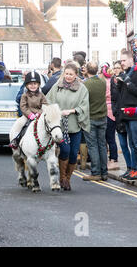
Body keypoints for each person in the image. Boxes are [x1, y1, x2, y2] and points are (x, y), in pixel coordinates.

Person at [46, 62, 90, 191]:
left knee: (73, 153)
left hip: (74, 125)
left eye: (71, 74)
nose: (68, 76)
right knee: (64, 150)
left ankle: (67, 179)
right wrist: (56, 111)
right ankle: (62, 178)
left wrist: (71, 111)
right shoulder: (57, 86)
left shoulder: (82, 89)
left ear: (76, 75)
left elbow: (84, 106)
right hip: (60, 126)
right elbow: (48, 101)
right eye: (66, 74)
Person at [116, 50, 137, 180]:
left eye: (124, 60)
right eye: (121, 60)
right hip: (127, 114)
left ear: (131, 59)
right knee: (132, 144)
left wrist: (128, 82)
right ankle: (134, 169)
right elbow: (123, 95)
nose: (121, 63)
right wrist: (119, 83)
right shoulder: (127, 74)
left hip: (136, 114)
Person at [80, 62, 108, 181]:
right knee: (102, 145)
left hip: (91, 118)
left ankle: (96, 172)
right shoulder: (103, 82)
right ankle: (104, 173)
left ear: (87, 70)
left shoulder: (85, 84)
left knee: (92, 146)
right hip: (102, 117)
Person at [9, 71, 48, 149]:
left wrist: (39, 113)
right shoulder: (24, 95)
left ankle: (53, 142)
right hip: (27, 116)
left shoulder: (41, 95)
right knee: (19, 123)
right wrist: (29, 114)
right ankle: (15, 139)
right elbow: (23, 106)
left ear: (38, 85)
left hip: (39, 115)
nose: (33, 86)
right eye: (30, 84)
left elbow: (45, 105)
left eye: (35, 84)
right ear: (26, 85)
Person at [111, 59, 136, 178]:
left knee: (131, 144)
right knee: (122, 144)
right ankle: (128, 167)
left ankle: (133, 168)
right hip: (118, 116)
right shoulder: (113, 80)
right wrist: (115, 112)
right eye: (114, 67)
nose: (116, 69)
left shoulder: (125, 79)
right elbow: (113, 99)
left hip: (126, 115)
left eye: (118, 67)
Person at [98, 62, 120, 171]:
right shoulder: (113, 80)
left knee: (109, 138)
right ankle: (112, 159)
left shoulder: (105, 82)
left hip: (107, 111)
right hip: (112, 111)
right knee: (110, 138)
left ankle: (113, 160)